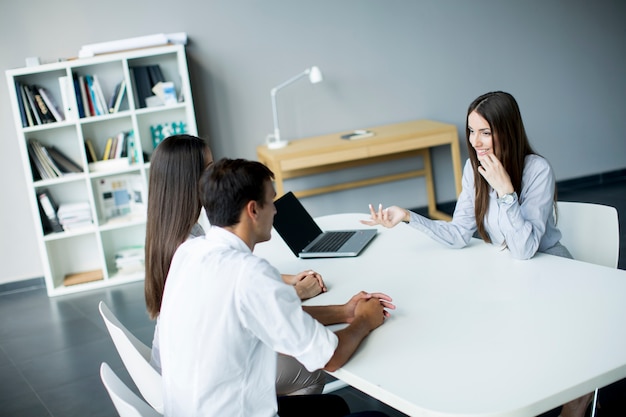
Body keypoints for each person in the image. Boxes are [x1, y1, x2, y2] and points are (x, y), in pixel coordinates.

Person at [361, 91, 591, 417]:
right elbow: (458, 234)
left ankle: (575, 400)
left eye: (485, 131)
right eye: (471, 131)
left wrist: (506, 192)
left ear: (506, 130)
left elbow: (526, 250)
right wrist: (408, 216)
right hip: (509, 270)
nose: (476, 141)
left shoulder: (536, 170)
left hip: (551, 265)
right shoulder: (473, 168)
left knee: (547, 340)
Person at [158, 157, 395, 416]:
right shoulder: (250, 274)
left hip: (191, 408)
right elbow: (331, 358)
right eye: (271, 200)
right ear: (253, 210)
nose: (276, 210)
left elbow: (273, 317)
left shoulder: (189, 252)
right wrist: (363, 321)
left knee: (334, 406)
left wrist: (344, 311)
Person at [144, 135, 328, 396]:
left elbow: (227, 282)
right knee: (311, 370)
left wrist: (286, 280)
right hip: (201, 375)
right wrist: (297, 292)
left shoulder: (176, 234)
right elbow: (240, 301)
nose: (215, 173)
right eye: (209, 168)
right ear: (189, 180)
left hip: (184, 361)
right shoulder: (186, 246)